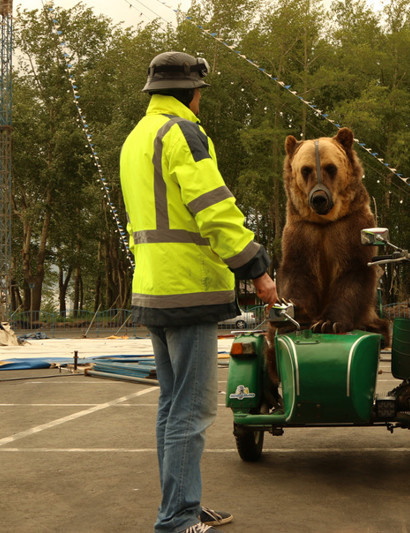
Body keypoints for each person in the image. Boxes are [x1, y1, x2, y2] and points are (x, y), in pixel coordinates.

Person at [120, 51, 278, 533]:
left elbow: (139, 222)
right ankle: (177, 519)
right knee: (192, 410)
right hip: (187, 289)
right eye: (201, 91)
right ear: (192, 90)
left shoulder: (136, 138)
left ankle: (182, 504)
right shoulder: (182, 132)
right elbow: (213, 208)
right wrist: (255, 266)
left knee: (172, 407)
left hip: (153, 287)